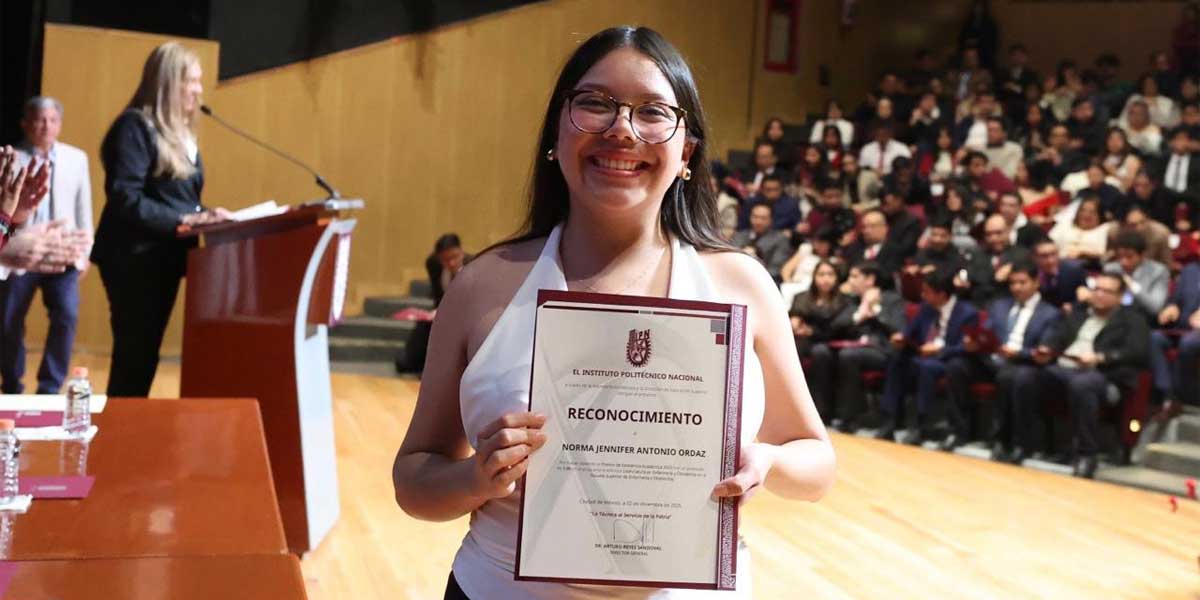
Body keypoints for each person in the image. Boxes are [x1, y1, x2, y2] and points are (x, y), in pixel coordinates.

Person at [391, 28, 835, 600]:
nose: (622, 129)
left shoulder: (741, 284)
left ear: (686, 153)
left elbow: (817, 465)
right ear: (556, 134)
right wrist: (475, 477)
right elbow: (415, 480)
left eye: (653, 112)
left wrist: (767, 462)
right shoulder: (483, 284)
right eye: (596, 104)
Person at [91, 42, 231, 397]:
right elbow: (125, 197)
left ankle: (128, 423)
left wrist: (206, 215)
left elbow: (177, 198)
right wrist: (189, 218)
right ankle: (119, 427)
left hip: (163, 260)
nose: (199, 90)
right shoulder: (134, 127)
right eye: (191, 81)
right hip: (134, 260)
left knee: (144, 356)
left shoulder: (180, 134)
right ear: (168, 82)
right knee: (134, 357)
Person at [0, 96, 92, 394]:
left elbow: (84, 209)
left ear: (60, 124)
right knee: (9, 319)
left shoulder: (76, 159)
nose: (46, 126)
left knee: (67, 314)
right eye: (39, 120)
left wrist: (84, 254)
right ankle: (12, 383)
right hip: (19, 252)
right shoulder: (10, 158)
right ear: (25, 124)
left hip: (62, 254)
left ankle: (50, 387)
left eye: (52, 120)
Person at [1040, 272, 1149, 478]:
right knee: (1029, 376)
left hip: (1106, 376)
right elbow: (1057, 337)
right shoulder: (1078, 312)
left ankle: (1086, 455)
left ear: (1120, 296)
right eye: (1096, 289)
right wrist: (1046, 349)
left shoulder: (1133, 320)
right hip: (1066, 368)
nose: (1099, 294)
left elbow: (1136, 352)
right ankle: (1027, 443)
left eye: (1107, 291)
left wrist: (1100, 358)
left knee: (1083, 384)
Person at [878, 269, 981, 446]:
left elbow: (966, 346)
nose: (922, 295)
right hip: (922, 355)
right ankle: (889, 420)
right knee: (896, 359)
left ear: (942, 294)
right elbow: (911, 332)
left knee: (927, 367)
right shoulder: (926, 308)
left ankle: (921, 425)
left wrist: (939, 349)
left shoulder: (967, 313)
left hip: (948, 359)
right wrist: (901, 338)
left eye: (927, 292)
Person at [973, 261, 1060, 464]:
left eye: (1022, 282)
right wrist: (977, 341)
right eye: (1013, 283)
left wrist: (1019, 353)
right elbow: (986, 333)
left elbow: (1045, 347)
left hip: (1027, 364)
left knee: (1014, 376)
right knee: (957, 366)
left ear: (1036, 283)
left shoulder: (1050, 313)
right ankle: (956, 432)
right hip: (994, 360)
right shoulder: (999, 305)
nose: (1016, 288)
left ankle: (1015, 442)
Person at [833, 262, 906, 432]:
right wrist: (861, 311)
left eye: (855, 276)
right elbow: (836, 325)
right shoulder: (852, 300)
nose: (850, 281)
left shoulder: (892, 299)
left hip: (882, 350)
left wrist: (875, 309)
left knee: (848, 355)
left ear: (870, 279)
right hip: (854, 347)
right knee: (827, 353)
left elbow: (898, 328)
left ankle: (849, 416)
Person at [789, 260, 854, 421]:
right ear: (814, 276)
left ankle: (821, 411)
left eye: (830, 274)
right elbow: (794, 318)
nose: (825, 279)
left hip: (831, 341)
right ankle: (790, 406)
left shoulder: (845, 301)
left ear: (837, 278)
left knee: (821, 353)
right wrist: (795, 324)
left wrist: (811, 331)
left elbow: (837, 328)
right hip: (804, 340)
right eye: (821, 274)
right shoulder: (801, 297)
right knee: (792, 349)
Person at [1151, 262, 1200, 414]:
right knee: (1155, 337)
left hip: (1195, 334)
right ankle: (1167, 394)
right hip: (1182, 327)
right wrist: (1171, 307)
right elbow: (1175, 300)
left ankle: (1183, 396)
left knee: (1188, 343)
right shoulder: (1190, 270)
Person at [1093, 229, 1169, 323]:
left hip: (1143, 320)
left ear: (1142, 255)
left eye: (1129, 257)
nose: (1124, 262)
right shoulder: (1110, 269)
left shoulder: (1158, 271)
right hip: (1111, 319)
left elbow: (1155, 307)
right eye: (1120, 256)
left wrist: (1132, 286)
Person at [731, 203, 792, 283]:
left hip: (765, 281)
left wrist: (754, 277)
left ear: (771, 220)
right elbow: (731, 260)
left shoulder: (780, 239)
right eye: (755, 217)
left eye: (763, 218)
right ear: (750, 217)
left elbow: (776, 268)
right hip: (736, 277)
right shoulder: (739, 236)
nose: (758, 222)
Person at [1034, 239, 1088, 312]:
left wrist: (1072, 306)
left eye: (1053, 254)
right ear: (1035, 258)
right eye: (1044, 256)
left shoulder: (1074, 271)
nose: (1050, 260)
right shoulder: (1031, 274)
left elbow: (1085, 298)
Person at [426, 233, 468, 308]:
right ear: (439, 258)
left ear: (461, 252)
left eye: (455, 256)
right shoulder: (433, 264)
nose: (451, 263)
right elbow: (438, 297)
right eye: (445, 259)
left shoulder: (474, 264)